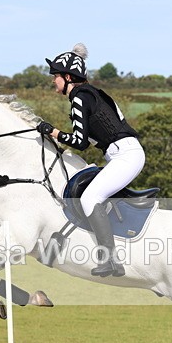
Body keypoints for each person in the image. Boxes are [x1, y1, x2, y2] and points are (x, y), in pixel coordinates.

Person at [37, 43, 144, 278]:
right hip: (123, 153)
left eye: (56, 76)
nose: (53, 81)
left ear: (68, 77)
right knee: (87, 193)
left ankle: (110, 260)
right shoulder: (90, 93)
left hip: (125, 155)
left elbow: (79, 142)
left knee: (89, 197)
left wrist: (51, 131)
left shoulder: (79, 96)